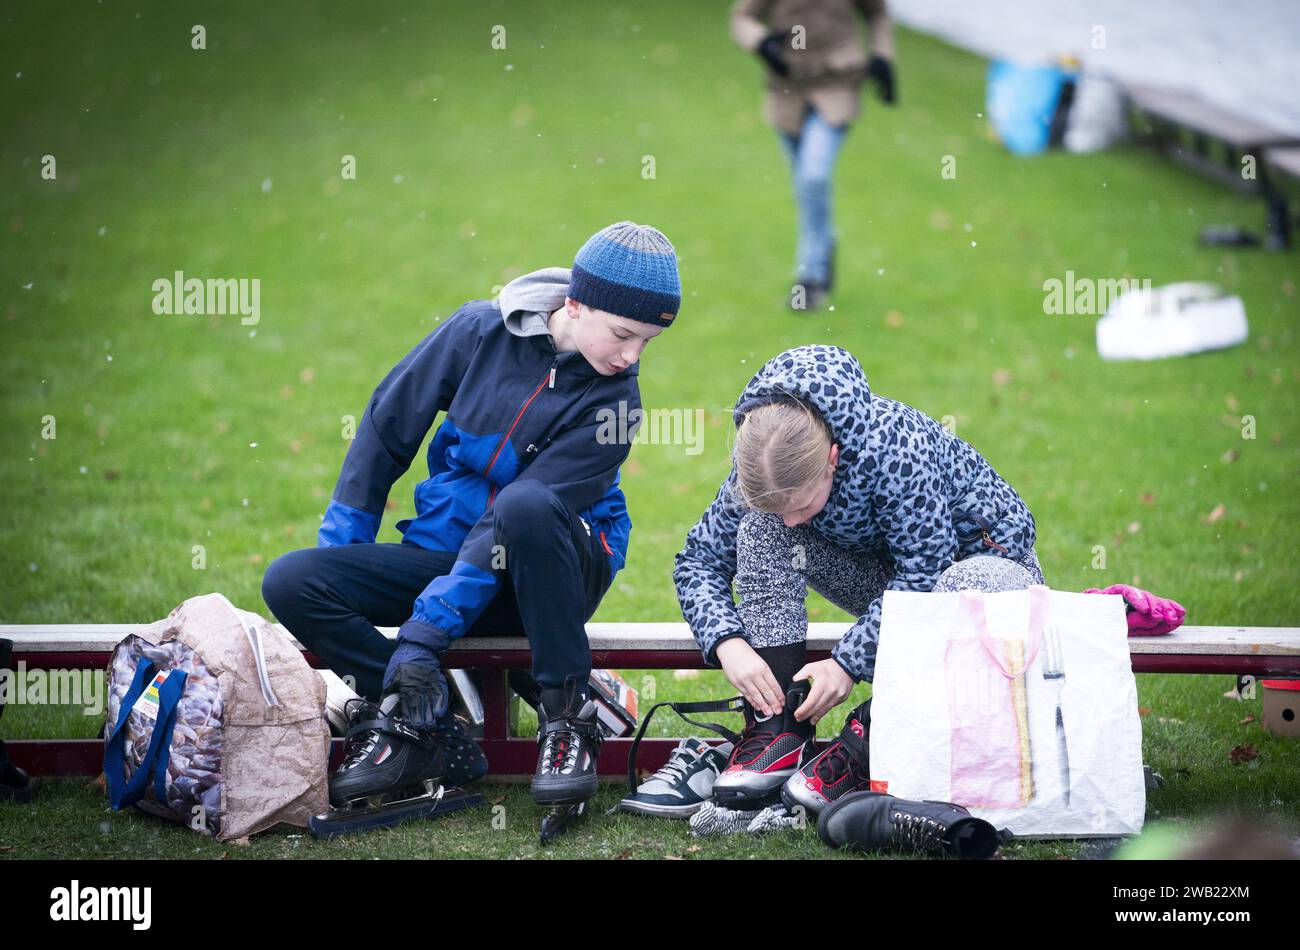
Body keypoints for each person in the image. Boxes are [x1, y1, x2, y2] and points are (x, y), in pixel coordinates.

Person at [262, 221, 681, 815]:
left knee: (525, 503)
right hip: (445, 559)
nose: (632, 356)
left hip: (547, 579)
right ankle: (422, 726)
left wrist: (423, 634)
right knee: (293, 580)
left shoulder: (617, 402)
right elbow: (382, 436)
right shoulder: (475, 331)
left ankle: (567, 721)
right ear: (575, 303)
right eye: (623, 335)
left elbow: (510, 522)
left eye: (646, 342)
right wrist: (344, 556)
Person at [674, 344, 1042, 814]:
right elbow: (697, 562)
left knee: (957, 588)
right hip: (890, 582)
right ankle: (780, 725)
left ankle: (865, 737)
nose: (792, 522)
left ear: (832, 458)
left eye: (803, 506)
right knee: (761, 527)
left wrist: (846, 663)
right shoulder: (765, 466)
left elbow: (927, 574)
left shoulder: (894, 448)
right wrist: (728, 642)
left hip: (985, 583)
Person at [730, 0, 897, 311]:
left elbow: (877, 13)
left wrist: (883, 56)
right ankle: (824, 244)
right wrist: (760, 42)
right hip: (786, 89)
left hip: (838, 84)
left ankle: (810, 279)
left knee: (814, 175)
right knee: (806, 188)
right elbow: (743, 16)